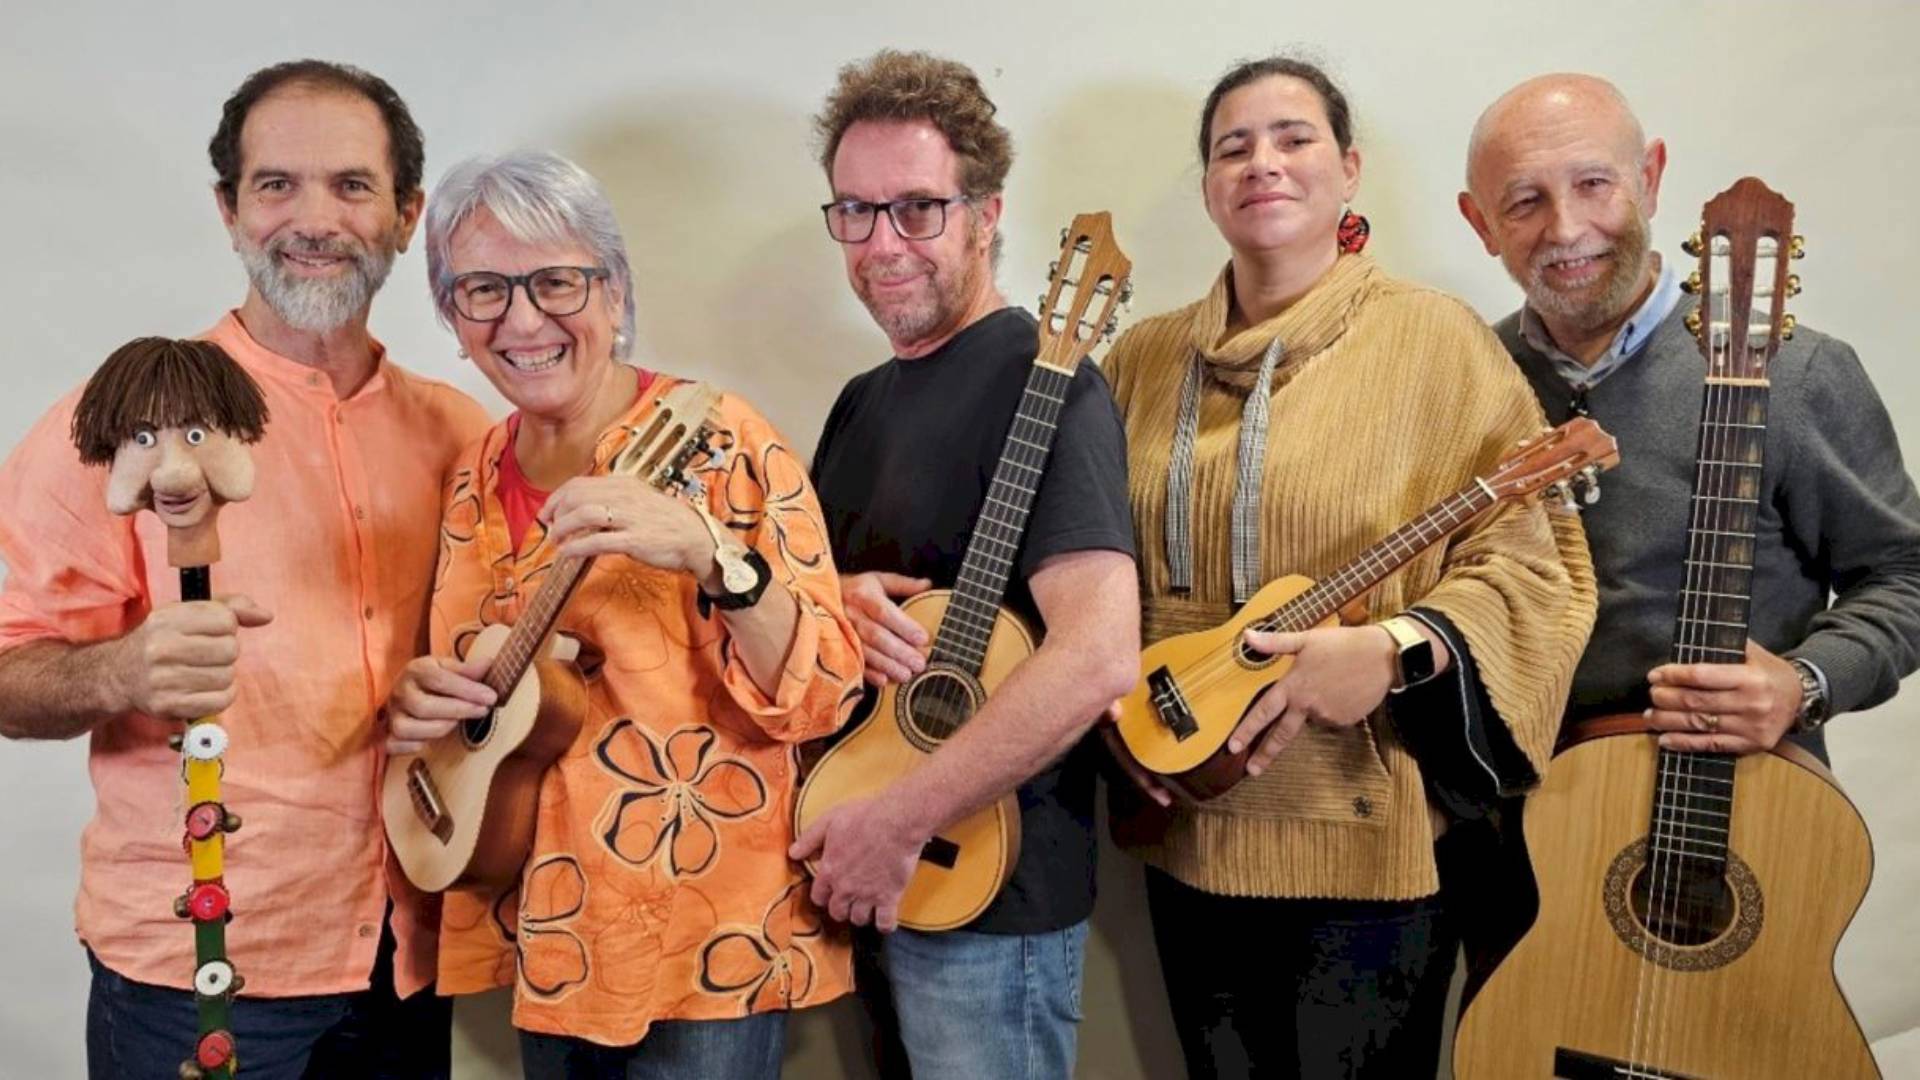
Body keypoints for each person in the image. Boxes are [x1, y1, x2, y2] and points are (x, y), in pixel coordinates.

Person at [1098, 56, 1596, 1078]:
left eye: (1294, 138)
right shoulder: (1139, 361)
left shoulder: (1437, 341)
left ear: (1349, 169)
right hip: (1185, 827)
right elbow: (1085, 564)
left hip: (1370, 849)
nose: (1262, 163)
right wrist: (1105, 708)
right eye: (1233, 148)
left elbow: (1536, 562)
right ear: (1209, 188)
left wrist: (1397, 648)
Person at [0, 60, 486, 1078]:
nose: (313, 219)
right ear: (229, 210)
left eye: (351, 186)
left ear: (406, 215)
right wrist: (118, 671)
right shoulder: (122, 420)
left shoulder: (461, 435)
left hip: (407, 954)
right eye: (276, 185)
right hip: (192, 975)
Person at [383, 150, 863, 1079]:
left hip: (702, 942)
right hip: (543, 932)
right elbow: (479, 693)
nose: (523, 320)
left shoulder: (721, 439)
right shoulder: (472, 476)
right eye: (483, 290)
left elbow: (826, 692)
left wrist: (712, 554)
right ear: (452, 315)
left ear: (614, 292)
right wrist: (424, 699)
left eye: (557, 281)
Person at [796, 49, 1140, 1080]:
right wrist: (836, 604)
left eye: (917, 209)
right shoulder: (861, 400)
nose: (882, 243)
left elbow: (1097, 655)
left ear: (987, 215)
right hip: (858, 870)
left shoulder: (1052, 382)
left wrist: (900, 824)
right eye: (855, 212)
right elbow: (820, 602)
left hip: (988, 908)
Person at [1459, 73, 1920, 756]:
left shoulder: (1796, 372)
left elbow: (1906, 575)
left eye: (1594, 183)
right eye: (1526, 201)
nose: (1567, 228)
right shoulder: (1467, 380)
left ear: (1649, 178)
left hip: (1733, 802)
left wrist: (1804, 683)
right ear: (1481, 224)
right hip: (1518, 810)